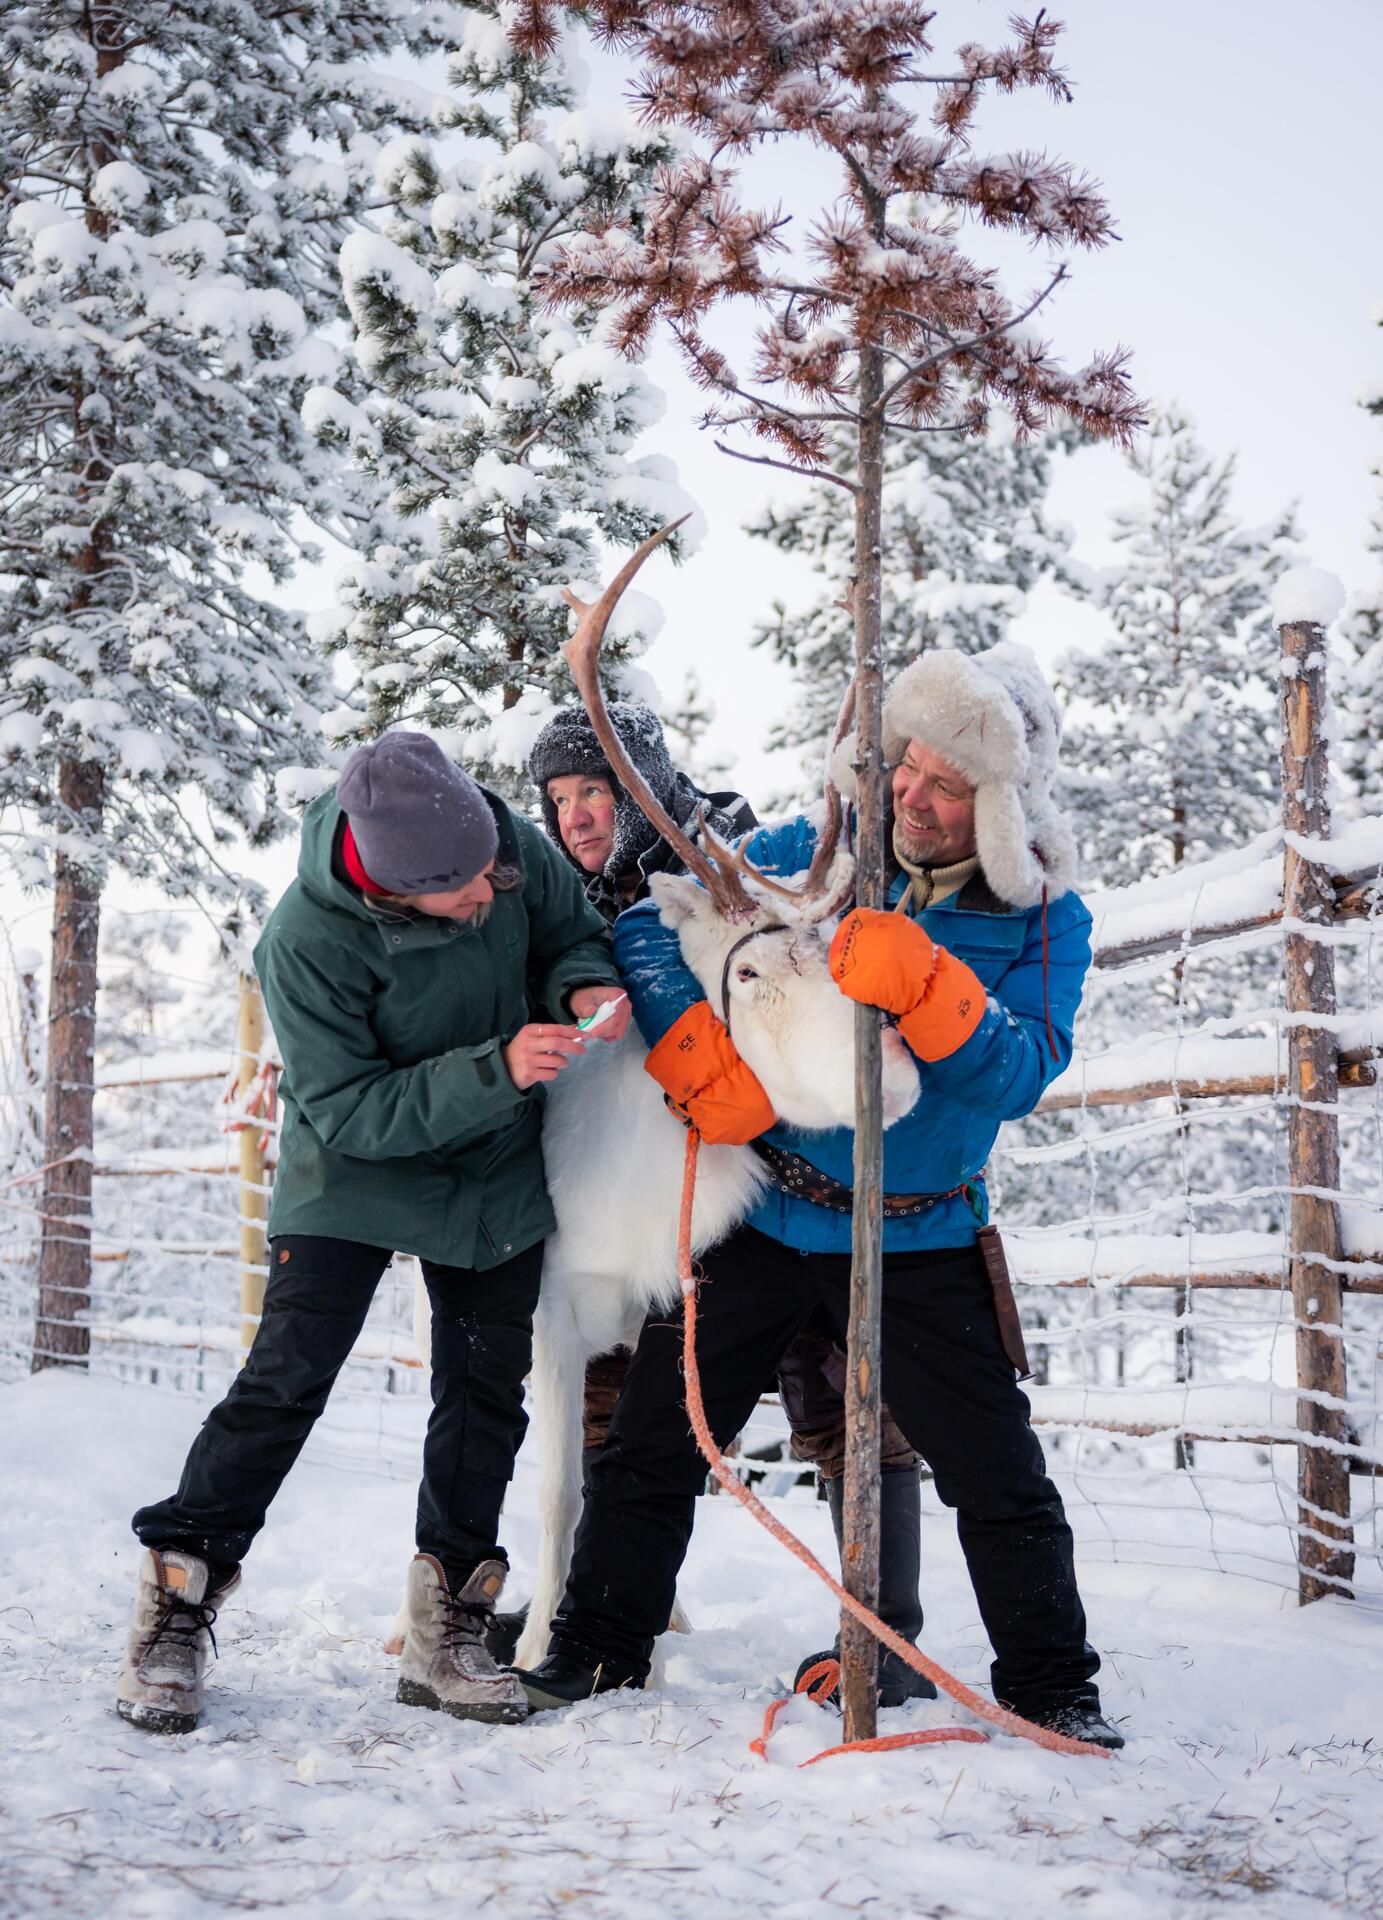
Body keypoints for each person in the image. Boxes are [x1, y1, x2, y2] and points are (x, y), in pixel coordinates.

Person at [514, 644, 1126, 1750]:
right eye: (906, 767)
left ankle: (1053, 1689)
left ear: (998, 803)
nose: (911, 794)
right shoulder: (820, 852)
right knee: (658, 1436)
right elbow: (657, 922)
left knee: (994, 1471)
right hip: (772, 1215)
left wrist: (936, 992)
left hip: (920, 1233)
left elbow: (1023, 1069)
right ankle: (596, 1651)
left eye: (946, 784)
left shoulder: (1044, 920)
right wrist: (690, 1046)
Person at [115, 732, 628, 1734]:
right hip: (356, 1164)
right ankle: (177, 1600)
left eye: (494, 872)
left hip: (489, 1168)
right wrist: (498, 1068)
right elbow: (348, 1110)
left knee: (485, 1391)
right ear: (397, 889)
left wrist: (582, 986)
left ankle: (452, 1625)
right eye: (465, 890)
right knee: (287, 1378)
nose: (491, 894)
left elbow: (567, 926)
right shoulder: (304, 940)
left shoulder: (494, 844)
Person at [523, 702, 933, 1706]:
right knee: (625, 1405)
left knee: (845, 1398)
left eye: (596, 792)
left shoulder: (740, 861)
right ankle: (609, 1613)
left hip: (788, 1177)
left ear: (644, 787)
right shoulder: (560, 892)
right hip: (643, 1179)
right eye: (561, 799)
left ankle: (879, 1638)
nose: (578, 816)